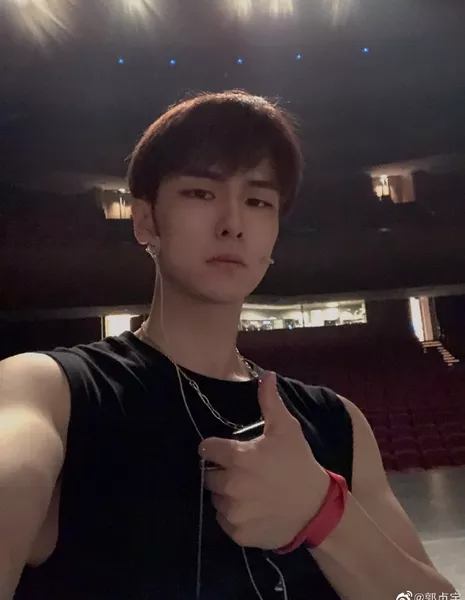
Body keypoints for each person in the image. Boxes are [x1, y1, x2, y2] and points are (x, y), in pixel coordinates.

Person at [0, 90, 457, 600]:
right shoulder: (49, 393)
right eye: (200, 193)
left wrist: (323, 512)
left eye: (258, 201)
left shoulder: (338, 422)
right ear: (146, 220)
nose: (233, 224)